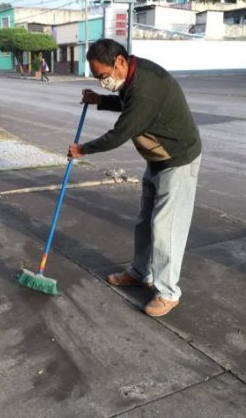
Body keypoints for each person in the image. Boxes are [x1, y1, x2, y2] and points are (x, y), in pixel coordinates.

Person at [67, 38, 202, 317]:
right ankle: (141, 272)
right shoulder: (132, 75)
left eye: (102, 76)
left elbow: (120, 133)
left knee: (166, 228)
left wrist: (83, 149)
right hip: (156, 158)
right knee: (145, 222)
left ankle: (168, 292)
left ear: (118, 62)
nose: (102, 81)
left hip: (177, 158)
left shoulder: (145, 88)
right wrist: (100, 100)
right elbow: (128, 105)